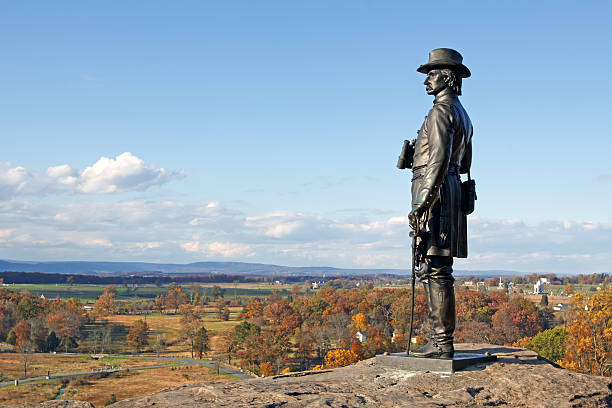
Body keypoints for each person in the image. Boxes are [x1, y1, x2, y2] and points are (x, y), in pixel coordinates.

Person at [408, 48, 473, 359]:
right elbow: (464, 161)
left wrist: (421, 204)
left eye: (431, 74)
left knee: (435, 269)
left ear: (447, 76)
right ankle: (441, 340)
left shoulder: (439, 112)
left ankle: (441, 342)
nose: (426, 81)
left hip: (436, 194)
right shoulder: (463, 114)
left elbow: (438, 160)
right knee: (439, 268)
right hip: (451, 190)